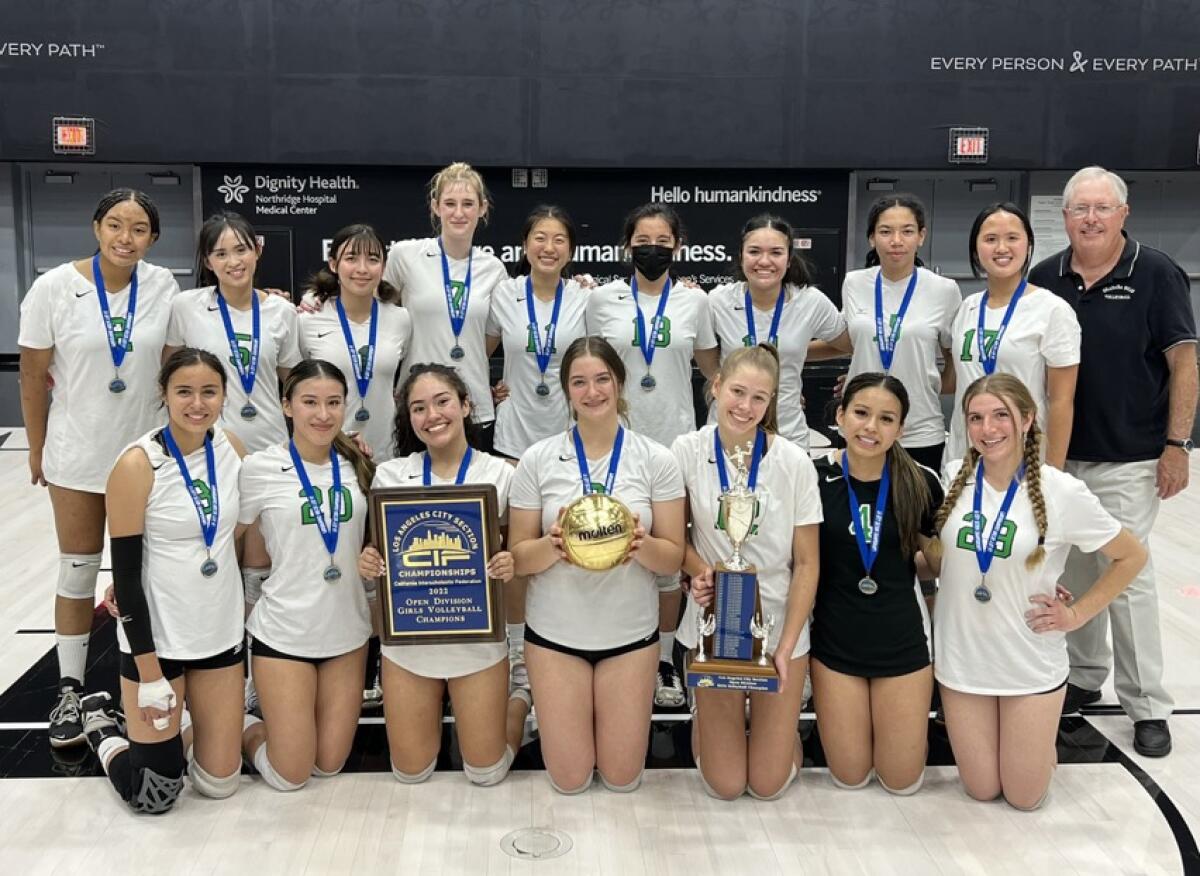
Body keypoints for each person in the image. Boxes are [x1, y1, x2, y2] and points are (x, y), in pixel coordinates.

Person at [1028, 166, 1198, 757]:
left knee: (1127, 578)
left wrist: (1177, 444)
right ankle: (1084, 676)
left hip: (1131, 457)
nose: (1091, 219)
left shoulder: (1155, 273)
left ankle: (1147, 704)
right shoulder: (1045, 275)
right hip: (1061, 454)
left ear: (1123, 214)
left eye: (1103, 208)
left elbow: (1184, 363)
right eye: (1080, 209)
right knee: (1072, 575)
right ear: (1066, 215)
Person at [927, 373, 1146, 809]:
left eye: (1000, 416)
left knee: (1025, 798)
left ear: (1027, 419)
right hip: (963, 658)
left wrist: (1077, 614)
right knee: (982, 788)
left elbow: (1132, 556)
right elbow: (942, 557)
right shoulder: (952, 476)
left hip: (1027, 659)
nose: (987, 430)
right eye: (976, 418)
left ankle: (1036, 744)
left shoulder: (1061, 490)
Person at [18, 188, 178, 748]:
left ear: (153, 238)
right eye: (115, 225)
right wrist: (37, 448)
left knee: (144, 574)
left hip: (144, 460)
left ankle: (149, 677)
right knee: (79, 571)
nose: (125, 238)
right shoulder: (54, 288)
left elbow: (171, 370)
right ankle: (68, 688)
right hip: (77, 455)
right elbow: (33, 376)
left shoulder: (162, 286)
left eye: (138, 229)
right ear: (95, 227)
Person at [509, 337, 686, 793]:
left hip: (629, 636)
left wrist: (639, 543)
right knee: (569, 781)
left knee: (622, 778)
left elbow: (673, 556)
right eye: (579, 382)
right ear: (567, 390)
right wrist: (554, 545)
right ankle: (533, 701)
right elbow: (519, 559)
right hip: (555, 637)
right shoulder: (538, 459)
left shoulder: (656, 459)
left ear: (619, 382)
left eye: (602, 379)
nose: (592, 392)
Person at [80, 348, 248, 813]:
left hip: (217, 636)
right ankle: (101, 725)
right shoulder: (138, 464)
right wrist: (150, 674)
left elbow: (238, 532)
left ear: (223, 395)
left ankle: (178, 730)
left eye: (209, 392)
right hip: (157, 644)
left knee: (220, 784)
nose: (198, 403)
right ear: (164, 395)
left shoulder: (231, 448)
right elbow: (127, 575)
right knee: (154, 794)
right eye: (185, 392)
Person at [358, 364, 528, 786]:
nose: (432, 415)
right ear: (409, 419)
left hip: (478, 641)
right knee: (410, 773)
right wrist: (369, 561)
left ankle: (521, 701)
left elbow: (522, 554)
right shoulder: (392, 476)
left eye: (442, 401)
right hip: (411, 645)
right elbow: (379, 552)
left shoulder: (502, 474)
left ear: (467, 405)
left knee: (486, 773)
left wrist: (511, 562)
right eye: (418, 408)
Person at [672, 344, 821, 800]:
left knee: (768, 784)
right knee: (727, 785)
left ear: (772, 401)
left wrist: (787, 647)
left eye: (760, 398)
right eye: (737, 391)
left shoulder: (794, 460)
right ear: (715, 387)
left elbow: (807, 563)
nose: (746, 406)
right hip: (713, 625)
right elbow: (675, 539)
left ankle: (778, 727)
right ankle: (712, 718)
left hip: (779, 628)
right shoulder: (686, 450)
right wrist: (702, 573)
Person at [586, 203, 718, 707]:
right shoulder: (600, 299)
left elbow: (710, 369)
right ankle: (615, 647)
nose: (653, 249)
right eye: (644, 239)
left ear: (677, 247)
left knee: (668, 557)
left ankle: (665, 660)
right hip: (615, 442)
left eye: (663, 241)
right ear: (627, 246)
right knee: (617, 543)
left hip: (675, 441)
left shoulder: (694, 303)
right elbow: (581, 362)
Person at [237, 359, 375, 791]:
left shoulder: (361, 467)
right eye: (310, 402)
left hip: (347, 633)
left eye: (333, 402)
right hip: (284, 633)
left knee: (329, 764)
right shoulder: (259, 468)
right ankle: (232, 722)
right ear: (287, 406)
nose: (323, 414)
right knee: (289, 774)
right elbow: (220, 540)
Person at [809, 372, 942, 795]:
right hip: (835, 645)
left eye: (886, 419)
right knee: (849, 777)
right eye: (862, 413)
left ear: (901, 428)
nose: (871, 427)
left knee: (901, 782)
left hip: (901, 643)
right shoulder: (810, 478)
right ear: (841, 416)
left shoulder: (920, 481)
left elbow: (939, 564)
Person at [486, 205, 589, 689]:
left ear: (571, 249)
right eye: (540, 238)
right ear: (525, 245)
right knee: (516, 550)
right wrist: (483, 389)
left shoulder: (586, 299)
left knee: (566, 542)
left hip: (568, 437)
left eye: (559, 240)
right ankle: (514, 648)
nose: (549, 248)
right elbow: (475, 348)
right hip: (514, 437)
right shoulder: (502, 294)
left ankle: (560, 637)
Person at [811, 194, 962, 471]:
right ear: (871, 238)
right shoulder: (854, 283)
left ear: (921, 236)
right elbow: (852, 342)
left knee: (916, 513)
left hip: (919, 429)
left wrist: (930, 383)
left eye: (907, 231)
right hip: (862, 427)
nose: (896, 240)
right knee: (862, 511)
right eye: (885, 231)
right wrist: (786, 352)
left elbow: (955, 359)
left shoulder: (944, 290)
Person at [383, 162, 508, 450]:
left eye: (468, 204)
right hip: (418, 404)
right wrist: (319, 299)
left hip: (473, 404)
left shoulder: (494, 269)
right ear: (436, 207)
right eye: (450, 203)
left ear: (482, 208)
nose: (459, 213)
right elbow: (371, 308)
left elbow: (487, 339)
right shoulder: (405, 256)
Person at [944, 203, 1079, 468]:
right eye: (990, 239)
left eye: (1012, 238)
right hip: (964, 455)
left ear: (1028, 246)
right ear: (976, 249)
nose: (1002, 248)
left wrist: (1052, 472)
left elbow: (1062, 401)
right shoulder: (967, 308)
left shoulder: (1052, 310)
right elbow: (955, 380)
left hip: (1024, 459)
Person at [165, 211, 302, 452]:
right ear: (208, 261)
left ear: (257, 251)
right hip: (207, 444)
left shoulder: (282, 311)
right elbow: (168, 373)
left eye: (241, 250)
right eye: (221, 254)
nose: (233, 262)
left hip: (270, 443)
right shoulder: (186, 306)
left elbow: (295, 382)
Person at [706, 214, 845, 447]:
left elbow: (848, 344)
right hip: (728, 430)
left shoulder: (810, 301)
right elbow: (704, 354)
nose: (764, 261)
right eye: (754, 251)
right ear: (741, 256)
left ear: (789, 259)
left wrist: (795, 353)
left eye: (776, 252)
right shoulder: (718, 301)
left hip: (787, 434)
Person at [299, 223, 412, 462]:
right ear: (333, 264)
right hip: (328, 452)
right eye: (351, 258)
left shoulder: (400, 319)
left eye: (372, 259)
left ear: (383, 267)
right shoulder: (308, 320)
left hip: (386, 453)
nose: (362, 269)